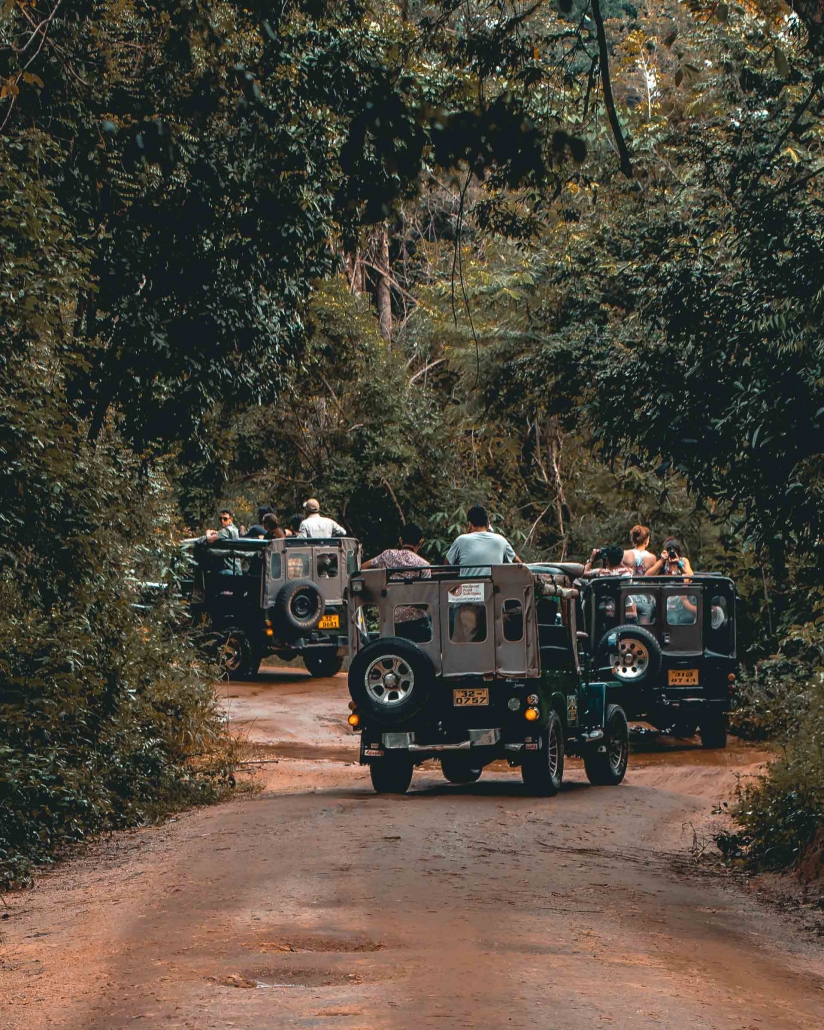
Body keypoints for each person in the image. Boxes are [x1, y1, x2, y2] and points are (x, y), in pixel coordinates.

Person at [362, 524, 431, 641]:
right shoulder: (424, 565)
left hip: (391, 619)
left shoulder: (388, 555)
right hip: (416, 623)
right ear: (420, 543)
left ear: (400, 540)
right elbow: (426, 597)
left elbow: (364, 567)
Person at [445, 505, 522, 577]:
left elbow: (446, 565)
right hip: (494, 589)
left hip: (467, 590)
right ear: (488, 524)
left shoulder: (460, 540)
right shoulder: (501, 540)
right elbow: (519, 564)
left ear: (470, 525)